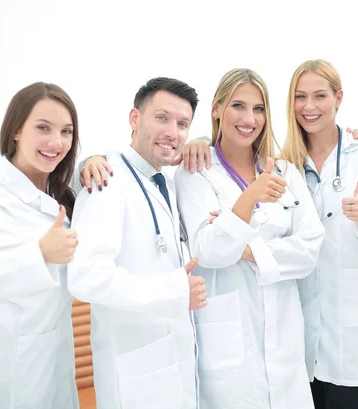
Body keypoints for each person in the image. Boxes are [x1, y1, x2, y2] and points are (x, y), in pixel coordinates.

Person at [174, 68, 325, 409]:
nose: (249, 118)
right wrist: (249, 199)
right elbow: (209, 250)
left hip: (285, 336)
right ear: (217, 109)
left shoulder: (285, 172)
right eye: (238, 106)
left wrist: (245, 248)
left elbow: (311, 247)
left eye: (258, 109)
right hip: (227, 341)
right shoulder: (195, 171)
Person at [67, 77, 207, 409]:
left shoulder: (165, 184)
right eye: (162, 118)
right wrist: (174, 291)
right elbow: (87, 277)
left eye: (182, 123)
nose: (173, 131)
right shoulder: (106, 179)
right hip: (136, 373)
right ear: (134, 119)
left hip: (171, 362)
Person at [280, 59, 358, 409]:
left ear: (338, 98)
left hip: (353, 331)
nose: (309, 106)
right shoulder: (284, 164)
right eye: (300, 97)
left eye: (320, 95)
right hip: (299, 330)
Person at [0, 82, 80, 409]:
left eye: (66, 131)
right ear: (16, 131)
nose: (57, 142)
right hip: (15, 372)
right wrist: (39, 253)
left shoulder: (58, 188)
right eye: (43, 128)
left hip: (53, 359)